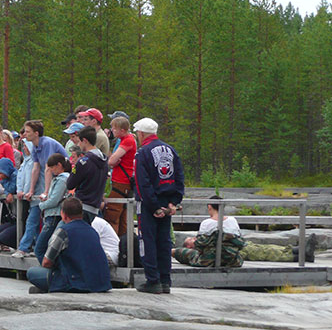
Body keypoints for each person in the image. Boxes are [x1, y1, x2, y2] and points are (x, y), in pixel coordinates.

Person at [174, 197, 317, 265]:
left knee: (262, 249)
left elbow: (201, 244)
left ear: (210, 206)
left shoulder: (206, 224)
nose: (192, 240)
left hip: (218, 254)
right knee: (263, 251)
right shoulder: (232, 221)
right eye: (190, 241)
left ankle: (297, 250)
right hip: (233, 253)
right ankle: (298, 253)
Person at [133, 117, 184, 294]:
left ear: (141, 133)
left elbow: (142, 183)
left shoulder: (142, 153)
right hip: (168, 202)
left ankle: (152, 280)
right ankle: (165, 280)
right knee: (164, 242)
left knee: (147, 241)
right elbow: (179, 176)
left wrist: (153, 205)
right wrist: (175, 201)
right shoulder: (171, 150)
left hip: (149, 205)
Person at [26, 197, 112, 294]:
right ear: (81, 213)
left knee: (32, 272)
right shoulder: (92, 231)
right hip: (100, 283)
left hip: (75, 282)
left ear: (63, 214)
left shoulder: (63, 231)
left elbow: (46, 262)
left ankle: (47, 289)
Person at [21, 120, 68, 256]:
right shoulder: (35, 147)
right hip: (48, 180)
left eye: (28, 131)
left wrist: (46, 192)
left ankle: (31, 248)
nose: (25, 134)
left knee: (41, 216)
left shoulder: (46, 143)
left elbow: (49, 168)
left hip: (59, 179)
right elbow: (36, 168)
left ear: (36, 133)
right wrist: (30, 190)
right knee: (37, 216)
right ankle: (36, 246)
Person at [31, 153, 70, 263]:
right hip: (52, 215)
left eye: (52, 167)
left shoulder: (62, 180)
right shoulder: (60, 179)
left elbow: (54, 200)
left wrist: (41, 205)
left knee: (40, 248)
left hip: (54, 216)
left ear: (59, 165)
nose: (51, 170)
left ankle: (49, 271)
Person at [66, 126, 109, 224]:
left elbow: (70, 184)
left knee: (63, 233)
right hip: (95, 207)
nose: (79, 145)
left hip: (81, 207)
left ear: (84, 140)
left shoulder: (83, 162)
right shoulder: (104, 160)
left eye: (79, 142)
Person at [104, 116, 137, 236]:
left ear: (122, 130)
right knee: (123, 215)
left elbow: (112, 161)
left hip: (122, 181)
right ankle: (124, 243)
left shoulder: (128, 140)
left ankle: (114, 241)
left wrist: (113, 161)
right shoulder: (126, 139)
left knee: (112, 213)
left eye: (114, 128)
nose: (112, 130)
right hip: (122, 180)